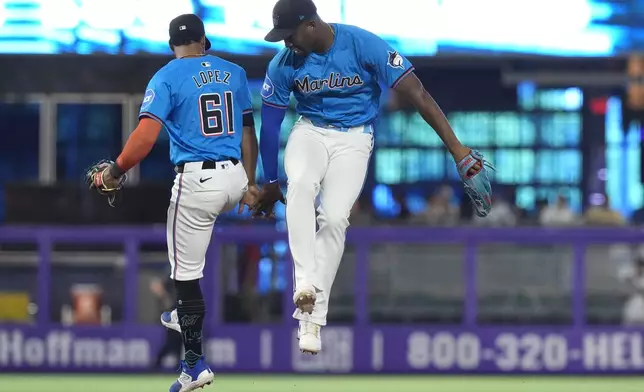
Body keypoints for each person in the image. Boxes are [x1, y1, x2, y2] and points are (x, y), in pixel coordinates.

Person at [252, 0, 493, 354]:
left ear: (311, 25)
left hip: (354, 138)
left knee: (334, 218)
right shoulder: (283, 63)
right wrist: (271, 181)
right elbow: (270, 126)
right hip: (310, 132)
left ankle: (312, 320)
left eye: (290, 35)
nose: (286, 43)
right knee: (301, 185)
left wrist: (456, 148)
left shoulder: (363, 45)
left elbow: (417, 94)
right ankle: (304, 282)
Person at [91, 13, 258, 391]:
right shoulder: (233, 71)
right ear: (206, 42)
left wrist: (114, 172)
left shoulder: (166, 75)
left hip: (198, 181)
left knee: (185, 279)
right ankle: (189, 362)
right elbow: (248, 131)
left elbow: (145, 138)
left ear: (172, 46)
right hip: (234, 176)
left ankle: (192, 347)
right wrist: (249, 182)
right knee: (187, 285)